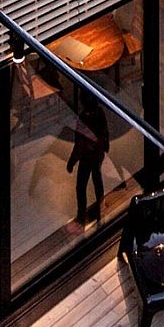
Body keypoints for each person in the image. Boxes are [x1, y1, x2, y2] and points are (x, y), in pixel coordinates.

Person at [66, 90, 110, 233]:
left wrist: (71, 162)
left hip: (87, 157)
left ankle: (81, 217)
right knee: (97, 180)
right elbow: (105, 131)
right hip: (98, 154)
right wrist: (105, 146)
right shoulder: (100, 113)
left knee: (81, 187)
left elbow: (79, 145)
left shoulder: (83, 118)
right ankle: (100, 212)